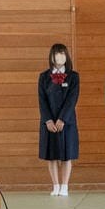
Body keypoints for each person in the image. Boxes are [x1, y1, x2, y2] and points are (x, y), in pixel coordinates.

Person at [37, 42, 80, 196]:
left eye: (62, 53)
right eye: (57, 54)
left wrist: (62, 119)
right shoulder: (43, 77)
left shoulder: (74, 76)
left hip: (67, 122)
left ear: (66, 56)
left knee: (67, 156)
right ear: (52, 57)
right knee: (52, 156)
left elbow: (72, 99)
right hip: (49, 123)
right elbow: (42, 100)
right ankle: (55, 185)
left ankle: (64, 186)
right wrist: (48, 120)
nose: (60, 56)